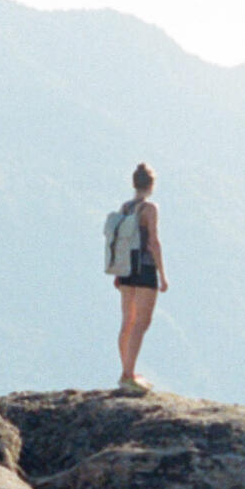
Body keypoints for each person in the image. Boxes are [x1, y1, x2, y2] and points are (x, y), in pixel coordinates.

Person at [108, 163, 166, 392]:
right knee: (142, 322)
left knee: (127, 321)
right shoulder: (149, 209)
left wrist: (117, 271)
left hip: (125, 269)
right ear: (151, 185)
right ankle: (128, 375)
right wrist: (162, 275)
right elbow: (153, 242)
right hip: (145, 269)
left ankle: (126, 371)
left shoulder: (125, 207)